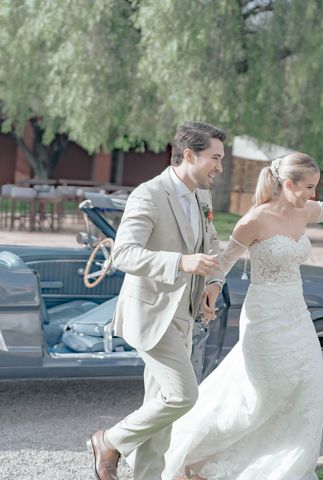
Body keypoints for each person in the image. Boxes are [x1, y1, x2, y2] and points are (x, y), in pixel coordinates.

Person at [163, 152, 323, 480]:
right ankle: (198, 450)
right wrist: (212, 288)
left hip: (296, 313)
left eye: (315, 187)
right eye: (308, 187)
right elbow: (224, 260)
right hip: (264, 315)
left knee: (306, 387)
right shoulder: (254, 220)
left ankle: (287, 466)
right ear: (288, 184)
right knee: (260, 394)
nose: (313, 194)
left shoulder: (304, 211)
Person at [88, 121, 228, 480]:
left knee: (160, 410)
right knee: (183, 396)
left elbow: (211, 244)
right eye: (215, 158)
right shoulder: (149, 194)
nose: (220, 167)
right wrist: (181, 262)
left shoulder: (202, 196)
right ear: (188, 155)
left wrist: (211, 283)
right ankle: (110, 441)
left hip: (184, 314)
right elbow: (124, 254)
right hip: (151, 313)